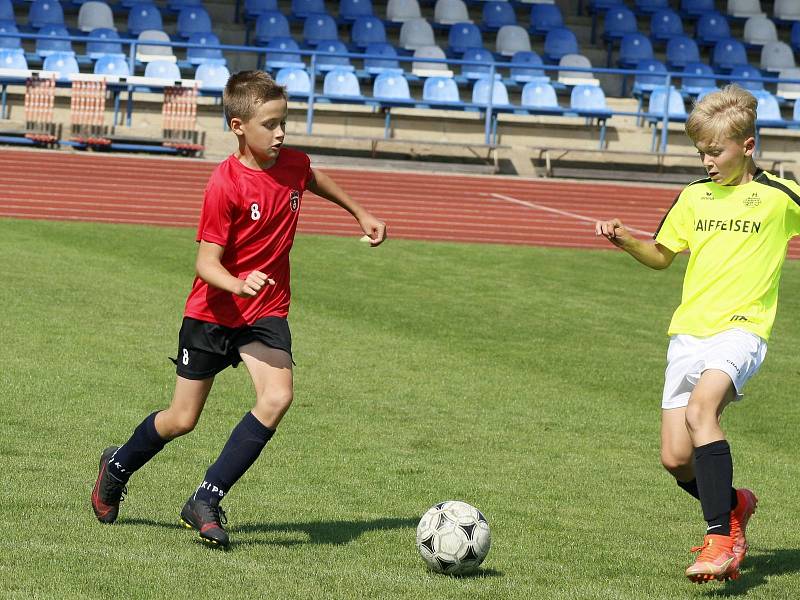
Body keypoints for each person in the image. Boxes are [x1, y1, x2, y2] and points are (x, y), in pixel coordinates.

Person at [91, 70, 387, 549]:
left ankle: (205, 498)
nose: (280, 133)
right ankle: (118, 464)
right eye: (269, 124)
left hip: (265, 311)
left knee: (277, 396)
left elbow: (312, 176)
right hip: (213, 311)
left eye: (283, 122)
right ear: (237, 126)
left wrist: (360, 212)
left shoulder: (291, 163)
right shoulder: (224, 185)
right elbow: (206, 263)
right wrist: (238, 282)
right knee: (182, 419)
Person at [595, 84, 800, 583]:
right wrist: (626, 241)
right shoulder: (692, 196)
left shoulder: (779, 197)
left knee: (700, 410)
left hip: (742, 330)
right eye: (701, 152)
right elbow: (662, 256)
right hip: (689, 334)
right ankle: (736, 504)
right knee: (675, 458)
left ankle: (718, 539)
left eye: (715, 151)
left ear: (747, 147)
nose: (707, 161)